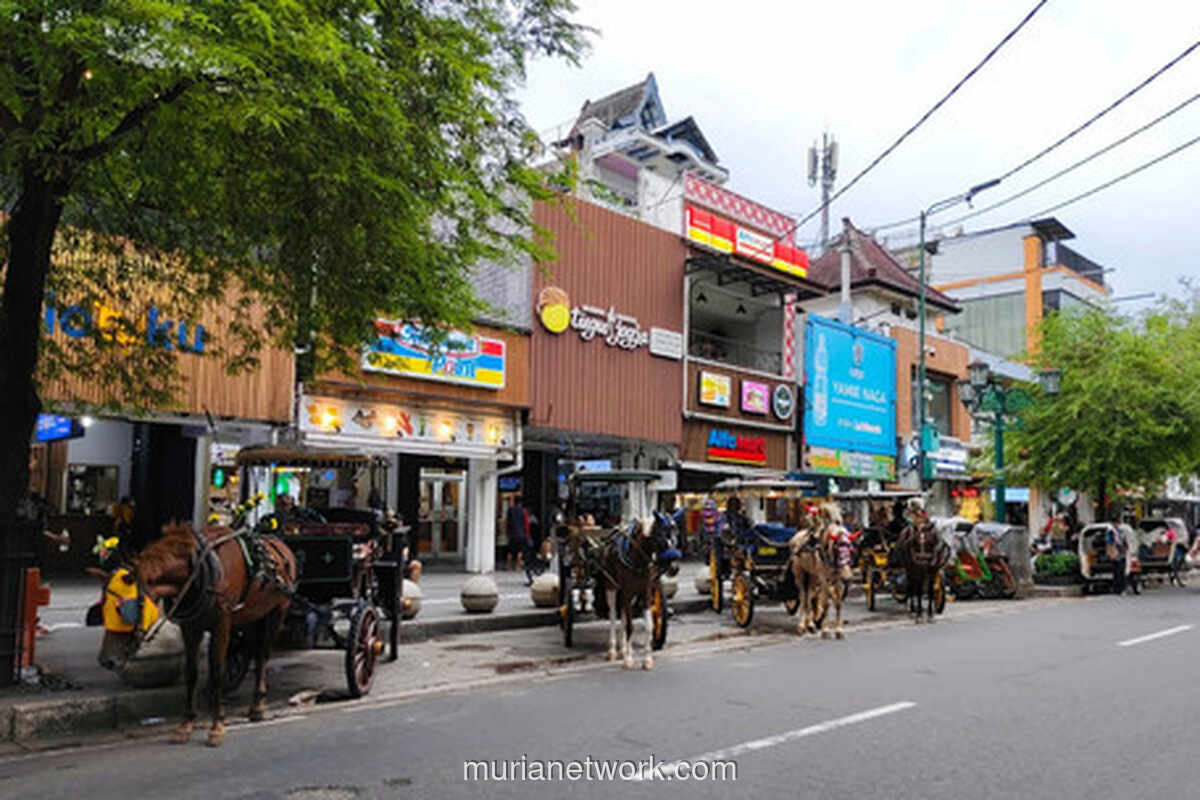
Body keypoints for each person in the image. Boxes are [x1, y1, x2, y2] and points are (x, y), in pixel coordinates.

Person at [505, 496, 532, 571]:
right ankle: (517, 566)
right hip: (521, 534)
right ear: (520, 503)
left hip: (512, 534)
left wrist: (507, 532)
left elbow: (507, 522)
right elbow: (526, 524)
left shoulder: (510, 510)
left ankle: (508, 566)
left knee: (510, 551)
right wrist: (527, 534)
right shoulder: (524, 511)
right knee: (520, 551)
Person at [1106, 524, 1128, 595]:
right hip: (1117, 555)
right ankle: (1118, 589)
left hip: (1119, 555)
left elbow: (1125, 544)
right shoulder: (1111, 533)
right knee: (1118, 573)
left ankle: (1120, 589)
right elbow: (1109, 544)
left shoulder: (1120, 533)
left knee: (1119, 573)